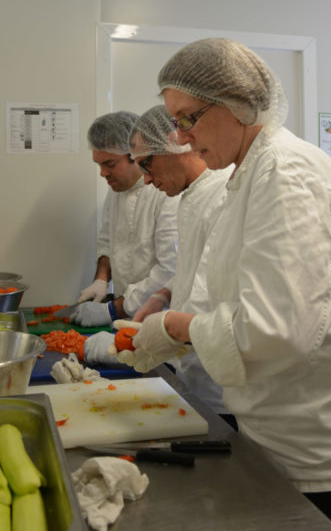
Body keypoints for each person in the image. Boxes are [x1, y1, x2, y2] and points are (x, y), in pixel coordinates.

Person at [112, 38, 331, 531]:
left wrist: (176, 327)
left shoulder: (286, 175)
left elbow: (275, 330)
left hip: (329, 446)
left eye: (188, 119)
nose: (179, 138)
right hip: (283, 427)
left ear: (238, 104)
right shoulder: (248, 177)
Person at [127, 104, 234, 424]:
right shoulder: (192, 196)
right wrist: (165, 293)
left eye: (147, 165)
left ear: (176, 144)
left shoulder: (223, 193)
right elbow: (197, 266)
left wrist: (166, 331)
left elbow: (211, 293)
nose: (146, 180)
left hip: (224, 383)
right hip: (196, 371)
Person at [71, 111, 179, 329]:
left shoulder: (166, 193)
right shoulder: (116, 190)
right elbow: (107, 241)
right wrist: (101, 280)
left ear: (134, 154)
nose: (103, 173)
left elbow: (170, 270)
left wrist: (113, 309)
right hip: (123, 316)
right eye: (98, 164)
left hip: (160, 319)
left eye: (110, 164)